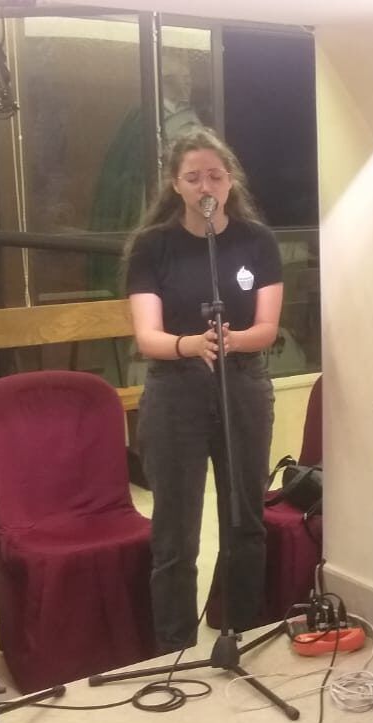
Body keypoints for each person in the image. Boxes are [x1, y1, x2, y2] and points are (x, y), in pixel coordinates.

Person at [126, 127, 283, 651]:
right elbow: (147, 336)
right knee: (176, 529)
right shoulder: (153, 246)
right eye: (192, 177)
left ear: (230, 180)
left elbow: (267, 327)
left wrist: (231, 340)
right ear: (175, 185)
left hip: (243, 384)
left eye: (214, 175)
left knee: (245, 519)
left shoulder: (257, 241)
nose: (205, 186)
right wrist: (189, 345)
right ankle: (174, 648)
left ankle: (239, 635)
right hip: (174, 390)